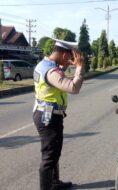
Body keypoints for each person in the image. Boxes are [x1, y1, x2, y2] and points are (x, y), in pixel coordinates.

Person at [33, 38, 84, 190]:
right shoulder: (52, 71)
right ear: (63, 55)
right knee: (49, 157)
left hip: (44, 113)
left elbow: (58, 83)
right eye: (70, 57)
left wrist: (68, 66)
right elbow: (73, 88)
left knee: (53, 152)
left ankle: (54, 182)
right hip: (48, 117)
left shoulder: (44, 65)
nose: (71, 61)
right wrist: (80, 68)